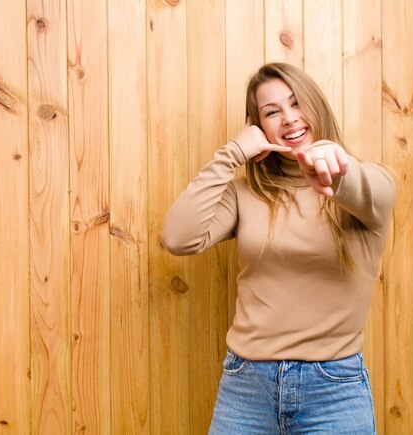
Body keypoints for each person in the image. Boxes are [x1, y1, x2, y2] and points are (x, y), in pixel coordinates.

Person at [161, 62, 396, 434]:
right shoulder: (245, 194)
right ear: (259, 126)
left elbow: (374, 192)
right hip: (246, 386)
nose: (289, 119)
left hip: (334, 391)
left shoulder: (364, 184)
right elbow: (178, 237)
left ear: (317, 106)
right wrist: (232, 152)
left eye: (297, 103)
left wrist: (336, 170)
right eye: (272, 112)